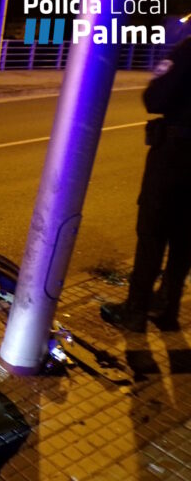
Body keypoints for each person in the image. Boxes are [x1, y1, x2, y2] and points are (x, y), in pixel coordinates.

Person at [101, 34, 191, 333]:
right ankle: (168, 309)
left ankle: (135, 312)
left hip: (176, 156)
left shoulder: (188, 47)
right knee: (185, 240)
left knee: (153, 232)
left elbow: (156, 98)